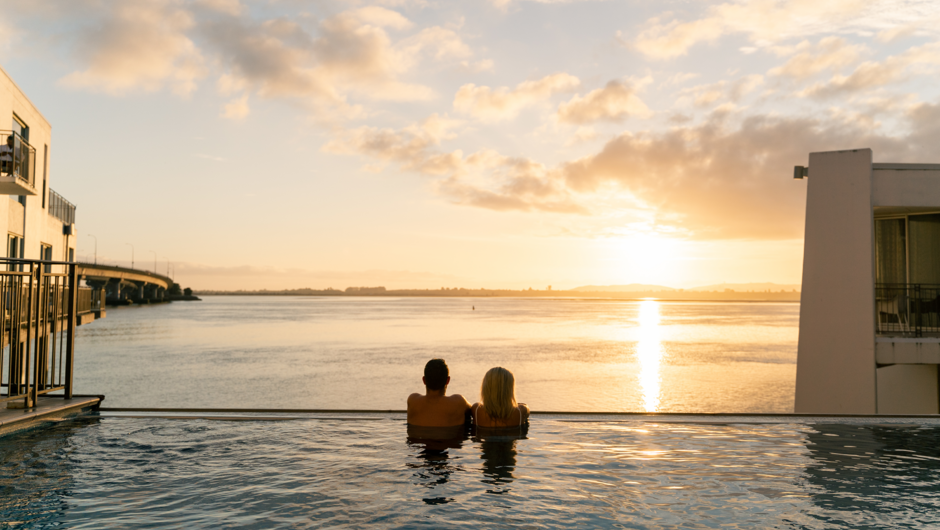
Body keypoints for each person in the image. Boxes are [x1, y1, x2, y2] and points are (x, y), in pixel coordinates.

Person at [407, 359, 471, 427]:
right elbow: (473, 410)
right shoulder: (459, 402)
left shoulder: (412, 400)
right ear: (448, 380)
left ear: (424, 380)